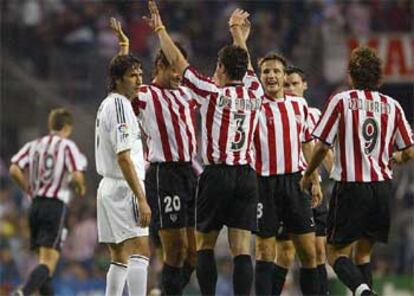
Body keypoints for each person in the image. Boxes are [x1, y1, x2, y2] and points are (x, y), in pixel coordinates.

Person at [146, 2, 262, 295]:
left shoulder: (212, 93)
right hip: (247, 177)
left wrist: (160, 29)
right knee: (242, 249)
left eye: (218, 67)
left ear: (221, 69)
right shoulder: (255, 92)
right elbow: (245, 65)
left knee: (204, 244)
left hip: (216, 176)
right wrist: (238, 36)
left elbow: (178, 61)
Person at [301, 46, 414, 296]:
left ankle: (363, 291)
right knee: (363, 253)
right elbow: (409, 151)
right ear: (378, 77)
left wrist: (309, 173)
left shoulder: (342, 100)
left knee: (335, 254)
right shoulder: (392, 106)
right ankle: (364, 290)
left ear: (351, 75)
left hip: (351, 186)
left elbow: (321, 146)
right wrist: (394, 156)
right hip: (382, 188)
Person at [229, 11, 323, 295]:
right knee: (266, 250)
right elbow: (244, 66)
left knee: (307, 251)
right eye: (266, 71)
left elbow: (308, 144)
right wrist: (237, 34)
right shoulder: (256, 100)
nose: (270, 75)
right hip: (264, 183)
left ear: (284, 78)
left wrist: (314, 178)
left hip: (296, 182)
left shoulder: (299, 106)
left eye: (276, 72)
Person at [109, 17, 197, 295]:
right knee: (175, 250)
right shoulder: (145, 95)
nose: (178, 75)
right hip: (164, 174)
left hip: (190, 174)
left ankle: (161, 292)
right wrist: (123, 47)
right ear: (159, 66)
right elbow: (119, 92)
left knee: (194, 255)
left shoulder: (186, 94)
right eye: (174, 68)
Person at [9, 108, 87, 296]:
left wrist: (27, 188)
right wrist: (81, 188)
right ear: (67, 127)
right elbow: (76, 176)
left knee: (44, 265)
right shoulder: (67, 146)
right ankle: (23, 292)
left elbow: (14, 169)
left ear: (51, 125)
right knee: (48, 263)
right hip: (54, 206)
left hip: (34, 206)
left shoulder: (34, 145)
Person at [95, 53, 151, 296]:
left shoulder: (108, 102)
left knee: (119, 256)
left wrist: (124, 46)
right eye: (132, 76)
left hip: (107, 188)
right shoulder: (120, 106)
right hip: (124, 187)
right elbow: (123, 157)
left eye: (140, 74)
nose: (139, 80)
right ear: (118, 80)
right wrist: (141, 198)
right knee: (141, 251)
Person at [278, 65, 334, 295]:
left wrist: (339, 178)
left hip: (313, 189)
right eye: (286, 85)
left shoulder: (315, 115)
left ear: (305, 85)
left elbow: (325, 151)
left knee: (318, 251)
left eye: (294, 84)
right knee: (286, 253)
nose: (290, 88)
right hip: (287, 187)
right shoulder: (277, 111)